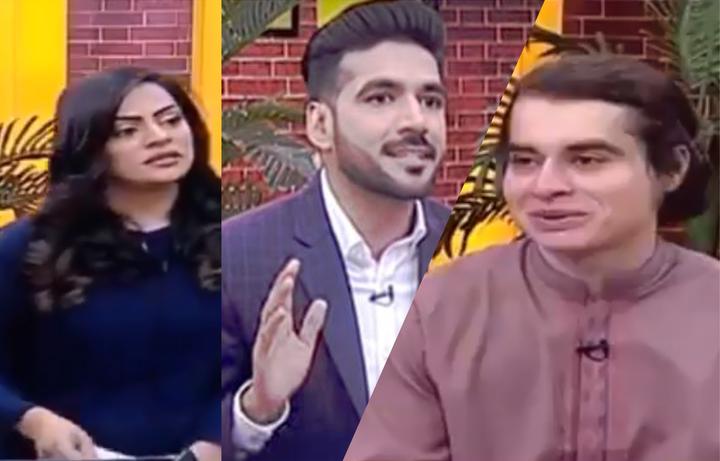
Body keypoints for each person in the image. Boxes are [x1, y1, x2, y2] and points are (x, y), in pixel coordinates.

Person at [343, 54, 719, 461]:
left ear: (672, 168)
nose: (545, 186)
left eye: (586, 160)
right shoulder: (440, 309)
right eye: (525, 161)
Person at [221, 1, 451, 460]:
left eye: (430, 101)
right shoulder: (235, 256)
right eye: (381, 98)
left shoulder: (475, 252)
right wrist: (257, 409)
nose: (416, 121)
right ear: (320, 124)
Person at [0, 67, 221, 459]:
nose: (160, 137)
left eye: (171, 120)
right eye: (128, 130)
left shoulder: (234, 238)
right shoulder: (32, 247)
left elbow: (253, 369)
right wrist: (32, 420)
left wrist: (216, 440)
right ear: (90, 148)